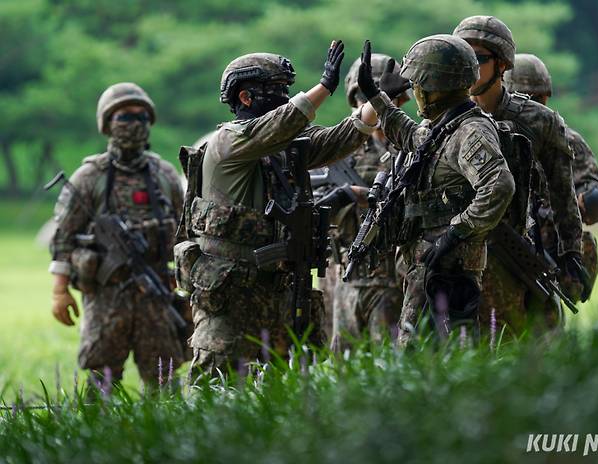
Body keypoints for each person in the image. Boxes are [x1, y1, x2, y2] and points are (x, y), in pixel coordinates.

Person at [175, 41, 380, 377]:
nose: (284, 97)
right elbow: (284, 122)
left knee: (278, 392)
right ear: (245, 97)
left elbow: (340, 138)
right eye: (274, 90)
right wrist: (325, 86)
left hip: (274, 290)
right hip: (230, 292)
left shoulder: (281, 148)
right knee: (217, 386)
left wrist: (376, 98)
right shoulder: (230, 141)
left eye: (286, 90)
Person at [357, 36, 515, 345]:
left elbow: (498, 185)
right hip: (430, 265)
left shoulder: (470, 132)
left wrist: (455, 233)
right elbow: (410, 136)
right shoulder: (443, 126)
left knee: (421, 353)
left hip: (449, 269)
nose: (414, 91)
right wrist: (376, 96)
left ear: (434, 87)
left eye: (417, 84)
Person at [454, 16, 585, 334]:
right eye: (463, 59)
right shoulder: (444, 118)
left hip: (509, 252)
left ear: (501, 65)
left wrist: (570, 251)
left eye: (479, 59)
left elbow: (562, 191)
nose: (470, 68)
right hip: (452, 251)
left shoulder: (538, 121)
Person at [49, 82, 185, 388]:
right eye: (125, 117)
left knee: (165, 379)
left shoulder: (163, 175)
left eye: (141, 118)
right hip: (106, 296)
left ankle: (168, 434)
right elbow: (64, 236)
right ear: (107, 123)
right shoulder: (90, 176)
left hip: (156, 293)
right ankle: (96, 435)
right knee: (102, 379)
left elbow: (183, 231)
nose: (134, 125)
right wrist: (60, 290)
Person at [504, 53, 598, 300]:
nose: (532, 106)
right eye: (525, 98)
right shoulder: (486, 132)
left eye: (537, 98)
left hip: (546, 248)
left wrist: (571, 204)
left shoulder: (564, 138)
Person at [323, 54, 410, 351]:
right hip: (343, 280)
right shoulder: (339, 149)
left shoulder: (409, 146)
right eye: (364, 97)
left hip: (394, 281)